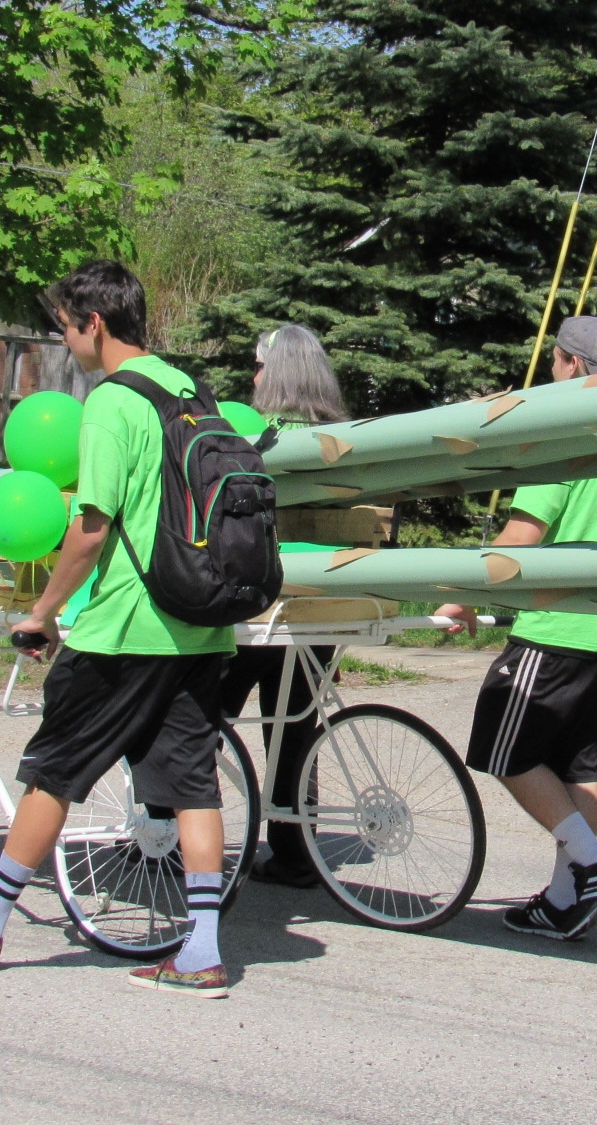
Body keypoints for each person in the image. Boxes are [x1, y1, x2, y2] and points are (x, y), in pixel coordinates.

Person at [0, 260, 239, 998]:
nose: (68, 343)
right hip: (200, 627)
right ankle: (202, 950)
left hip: (125, 627)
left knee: (53, 769)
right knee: (192, 786)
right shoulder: (189, 389)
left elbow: (91, 528)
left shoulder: (114, 403)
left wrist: (42, 612)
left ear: (93, 324)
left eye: (66, 328)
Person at [436, 316, 597, 942]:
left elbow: (519, 542)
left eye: (556, 363)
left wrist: (459, 600)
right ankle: (566, 899)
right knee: (577, 770)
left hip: (559, 632)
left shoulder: (564, 442)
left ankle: (593, 864)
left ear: (569, 365)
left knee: (503, 750)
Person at [215, 324, 350, 888]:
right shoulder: (346, 438)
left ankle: (166, 831)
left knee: (193, 711)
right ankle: (296, 851)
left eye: (260, 366)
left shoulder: (255, 440)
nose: (254, 376)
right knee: (295, 725)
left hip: (257, 607)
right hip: (324, 608)